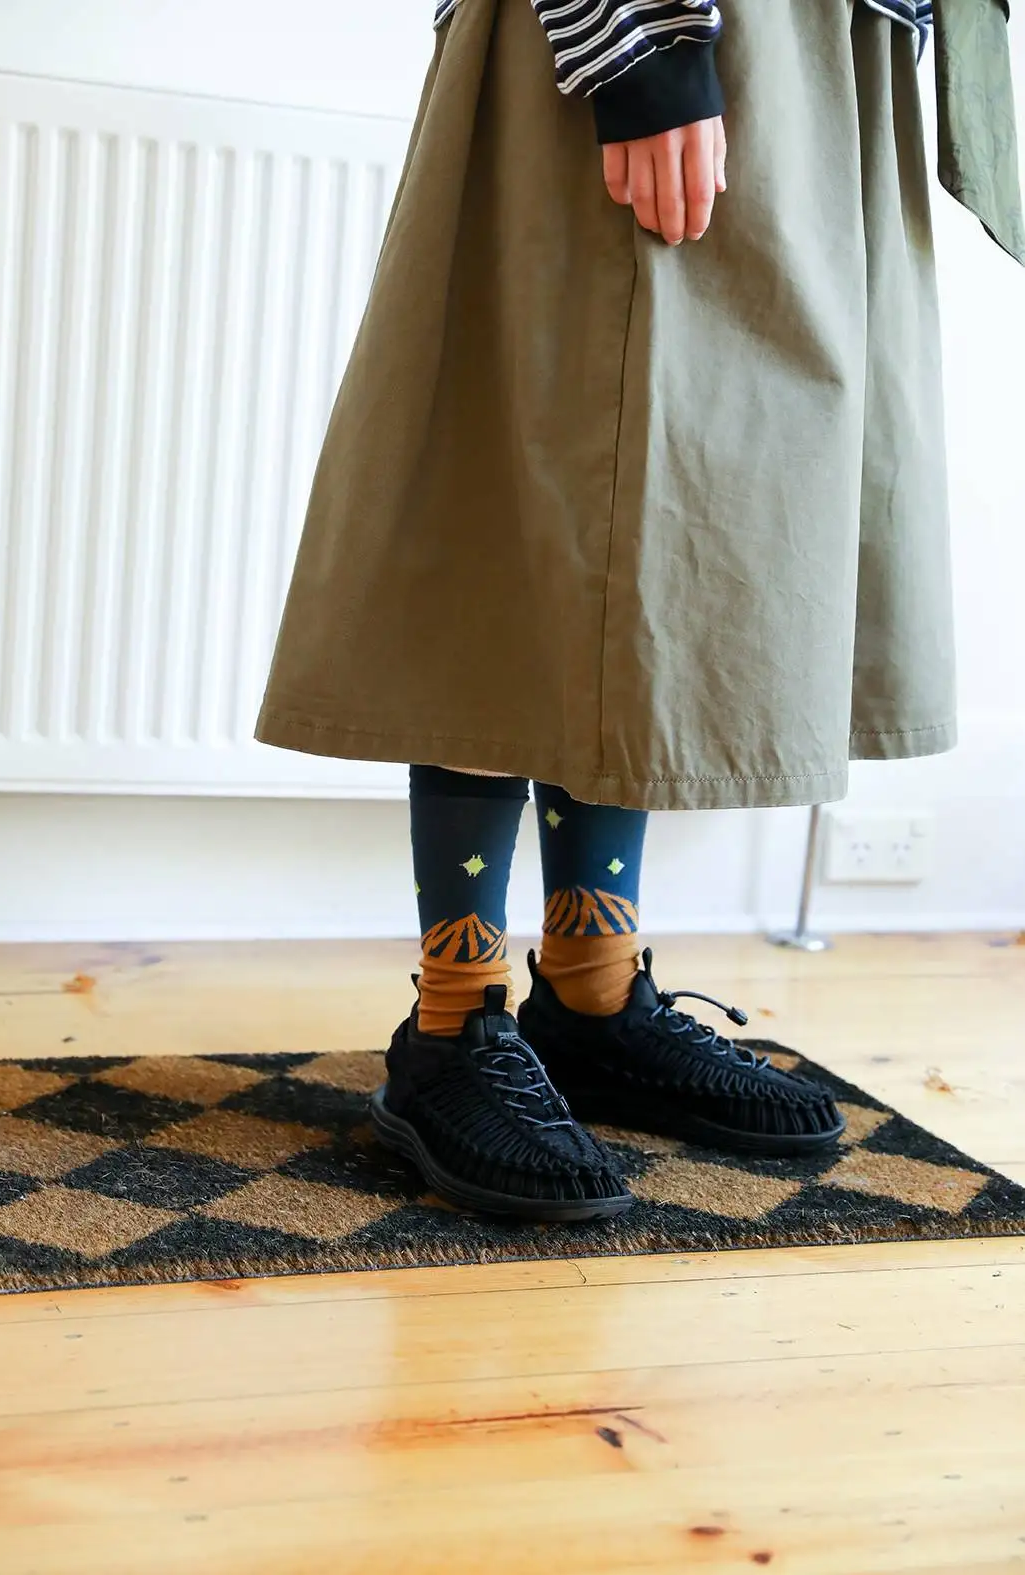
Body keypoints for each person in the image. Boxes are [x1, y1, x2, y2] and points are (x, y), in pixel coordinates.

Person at [255, 0, 1023, 1220]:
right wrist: (644, 44)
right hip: (654, 32)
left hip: (826, 61)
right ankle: (452, 1022)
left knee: (660, 530)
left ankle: (592, 990)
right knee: (522, 507)